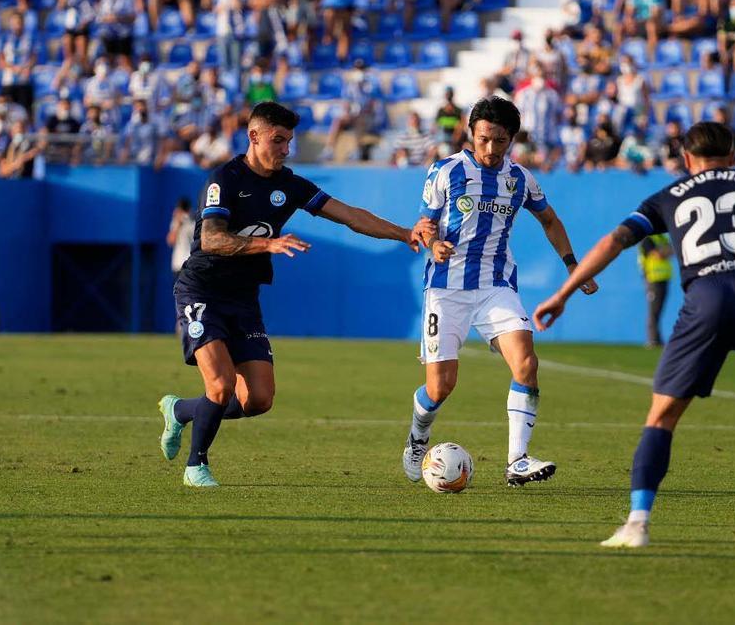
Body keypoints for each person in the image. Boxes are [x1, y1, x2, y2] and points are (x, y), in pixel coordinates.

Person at [533, 121, 735, 547]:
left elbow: (616, 240)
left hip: (706, 298)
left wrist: (563, 293)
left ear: (687, 160)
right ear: (732, 156)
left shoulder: (669, 195)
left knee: (663, 416)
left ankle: (637, 523)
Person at [156, 101, 426, 487]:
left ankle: (180, 410)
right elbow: (211, 239)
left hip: (243, 298)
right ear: (253, 136)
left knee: (259, 399)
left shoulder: (290, 185)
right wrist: (267, 245)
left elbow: (349, 214)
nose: (286, 149)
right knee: (220, 386)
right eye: (278, 140)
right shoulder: (225, 179)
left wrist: (403, 233)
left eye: (289, 141)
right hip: (202, 291)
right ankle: (196, 465)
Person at [403, 96, 598, 488]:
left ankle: (517, 461)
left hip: (496, 285)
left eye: (500, 141)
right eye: (484, 139)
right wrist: (431, 242)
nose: (491, 149)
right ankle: (418, 436)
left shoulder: (520, 179)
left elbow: (549, 219)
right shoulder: (445, 171)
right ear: (470, 134)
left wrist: (573, 265)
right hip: (446, 288)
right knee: (441, 386)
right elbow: (423, 223)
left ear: (512, 140)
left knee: (526, 362)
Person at [638, 234, 673, 347]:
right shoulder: (647, 239)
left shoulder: (662, 238)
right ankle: (652, 339)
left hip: (664, 278)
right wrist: (665, 251)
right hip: (652, 279)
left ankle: (657, 340)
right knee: (653, 311)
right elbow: (657, 255)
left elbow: (673, 251)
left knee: (659, 310)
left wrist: (665, 251)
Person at [166, 196, 195, 284]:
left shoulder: (192, 221)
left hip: (188, 266)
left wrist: (181, 220)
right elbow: (171, 241)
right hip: (179, 266)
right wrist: (178, 223)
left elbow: (170, 241)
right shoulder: (177, 222)